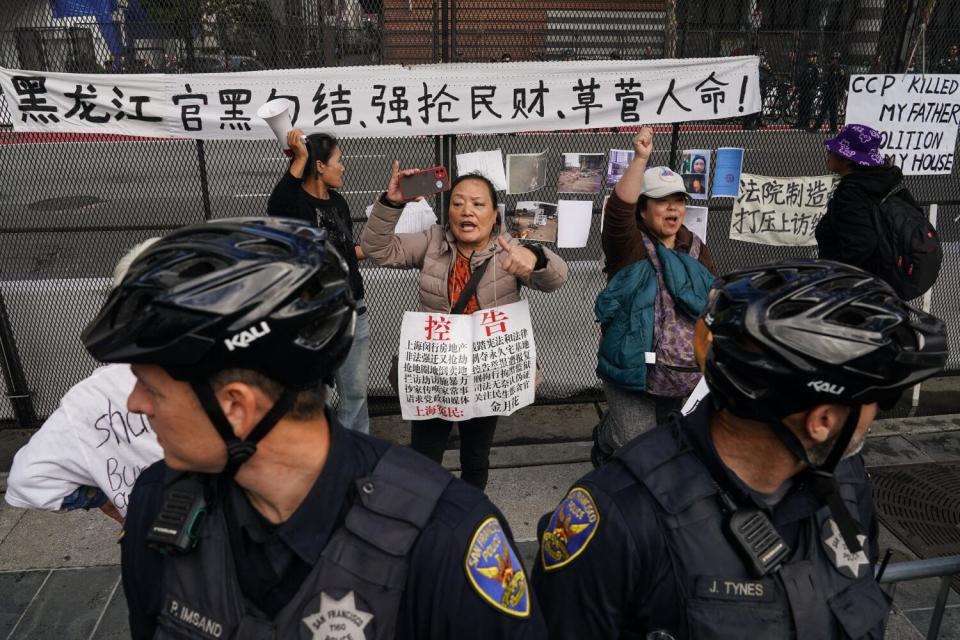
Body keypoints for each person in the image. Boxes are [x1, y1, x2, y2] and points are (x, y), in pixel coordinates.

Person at [82, 218, 546, 639]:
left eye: (151, 389)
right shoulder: (157, 501)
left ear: (236, 407)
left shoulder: (446, 539)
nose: (136, 405)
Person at [533, 260, 949, 639]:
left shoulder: (846, 482)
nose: (875, 414)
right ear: (821, 421)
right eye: (877, 398)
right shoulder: (620, 518)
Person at [361, 167, 568, 490]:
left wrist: (537, 257)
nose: (466, 211)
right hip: (435, 373)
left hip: (487, 373)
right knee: (424, 459)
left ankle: (470, 518)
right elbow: (378, 250)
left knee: (475, 457)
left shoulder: (509, 249)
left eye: (477, 204)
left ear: (493, 213)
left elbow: (556, 279)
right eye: (457, 203)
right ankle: (425, 521)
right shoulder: (432, 242)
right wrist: (391, 203)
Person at [6, 239, 163, 523]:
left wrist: (102, 496)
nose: (140, 403)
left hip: (158, 541)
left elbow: (29, 479)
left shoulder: (91, 398)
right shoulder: (239, 368)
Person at [593, 127, 716, 466]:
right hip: (633, 368)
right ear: (643, 210)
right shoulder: (628, 248)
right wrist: (640, 160)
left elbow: (714, 301)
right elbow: (618, 212)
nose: (672, 208)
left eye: (678, 200)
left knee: (681, 439)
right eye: (662, 201)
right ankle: (608, 438)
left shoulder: (695, 248)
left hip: (685, 366)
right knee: (635, 446)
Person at [267, 128, 370, 435]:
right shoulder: (295, 203)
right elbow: (277, 207)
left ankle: (355, 453)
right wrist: (299, 157)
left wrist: (384, 247)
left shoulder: (338, 202)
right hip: (314, 312)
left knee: (355, 393)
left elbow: (347, 250)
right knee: (309, 392)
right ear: (321, 166)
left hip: (353, 307)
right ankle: (318, 454)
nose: (344, 167)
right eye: (338, 160)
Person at [815, 124, 917, 274]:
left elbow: (862, 242)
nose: (828, 152)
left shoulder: (851, 194)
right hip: (885, 278)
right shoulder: (887, 182)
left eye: (832, 150)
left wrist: (832, 274)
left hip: (854, 284)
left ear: (848, 159)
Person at [812, 52, 847, 132]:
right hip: (828, 92)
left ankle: (833, 128)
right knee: (823, 110)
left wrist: (840, 92)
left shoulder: (840, 69)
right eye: (832, 59)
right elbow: (827, 79)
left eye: (835, 59)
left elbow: (843, 81)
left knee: (833, 111)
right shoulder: (830, 68)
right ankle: (817, 127)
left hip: (835, 92)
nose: (833, 60)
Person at [795, 50, 820, 129]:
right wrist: (798, 83)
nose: (809, 58)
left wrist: (812, 86)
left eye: (811, 57)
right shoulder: (806, 66)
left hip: (810, 90)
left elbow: (818, 80)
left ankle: (806, 124)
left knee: (807, 107)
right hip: (803, 89)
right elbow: (801, 77)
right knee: (801, 106)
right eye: (808, 57)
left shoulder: (815, 68)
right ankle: (800, 123)